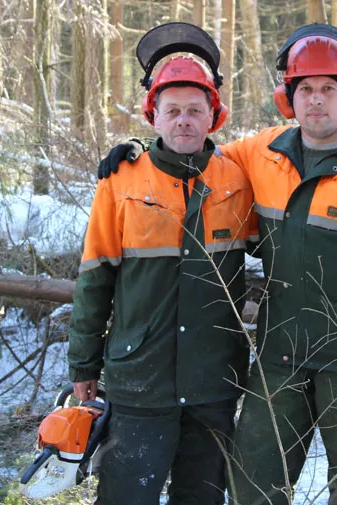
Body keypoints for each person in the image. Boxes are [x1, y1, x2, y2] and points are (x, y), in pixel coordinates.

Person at [98, 23, 337, 505]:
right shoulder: (262, 153)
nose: (317, 101)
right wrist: (136, 153)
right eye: (306, 90)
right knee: (253, 486)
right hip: (279, 359)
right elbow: (190, 151)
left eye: (328, 90)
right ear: (288, 98)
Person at [68, 28, 258, 505]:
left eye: (195, 110)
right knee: (125, 495)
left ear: (214, 115)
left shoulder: (239, 180)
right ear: (153, 114)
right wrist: (83, 363)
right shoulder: (122, 180)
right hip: (140, 379)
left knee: (203, 496)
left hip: (213, 380)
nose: (184, 121)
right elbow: (95, 279)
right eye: (172, 110)